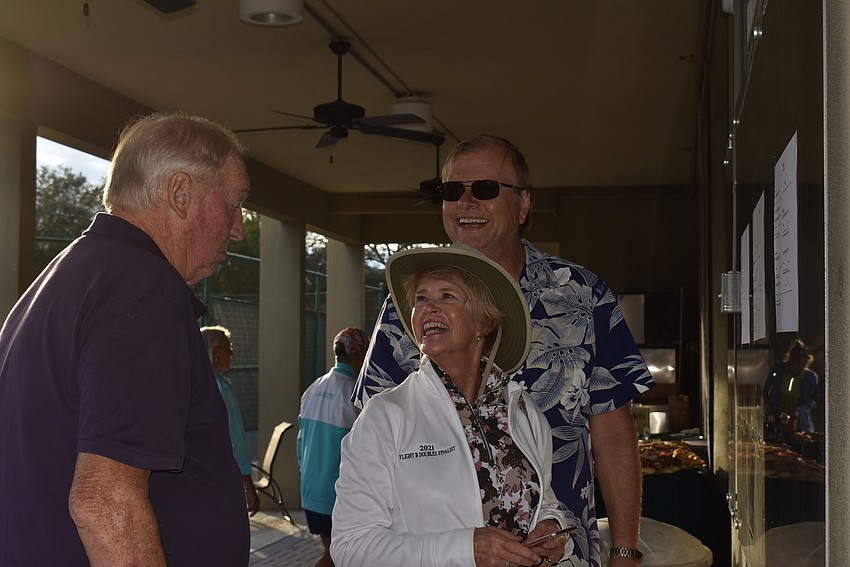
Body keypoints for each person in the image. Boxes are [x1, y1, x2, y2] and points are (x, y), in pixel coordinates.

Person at [353, 135, 655, 566]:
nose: (466, 203)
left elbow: (612, 430)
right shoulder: (408, 311)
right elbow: (372, 441)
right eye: (453, 191)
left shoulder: (582, 296)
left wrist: (625, 552)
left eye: (486, 189)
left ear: (524, 204)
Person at [0, 112, 252, 566]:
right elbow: (104, 502)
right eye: (234, 204)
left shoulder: (66, 278)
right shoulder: (146, 290)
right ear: (180, 193)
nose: (238, 228)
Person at [333, 245, 572, 567]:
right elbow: (351, 547)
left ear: (483, 323)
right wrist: (465, 549)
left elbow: (544, 502)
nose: (428, 308)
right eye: (420, 299)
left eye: (447, 296)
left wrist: (551, 528)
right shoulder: (386, 415)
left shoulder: (524, 411)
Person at [297, 326, 369, 567]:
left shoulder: (314, 388)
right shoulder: (357, 396)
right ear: (362, 354)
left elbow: (300, 445)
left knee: (333, 555)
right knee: (335, 559)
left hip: (311, 492)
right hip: (337, 495)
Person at [201, 325, 261, 516]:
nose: (232, 353)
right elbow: (235, 440)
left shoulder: (193, 385)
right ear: (215, 352)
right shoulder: (222, 390)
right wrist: (248, 485)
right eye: (228, 348)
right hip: (221, 478)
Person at [763, 339, 819, 433]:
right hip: (776, 421)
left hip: (800, 425)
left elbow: (810, 402)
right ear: (790, 360)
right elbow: (766, 391)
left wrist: (796, 412)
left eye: (803, 364)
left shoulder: (811, 378)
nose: (799, 367)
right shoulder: (778, 370)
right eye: (797, 363)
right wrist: (768, 406)